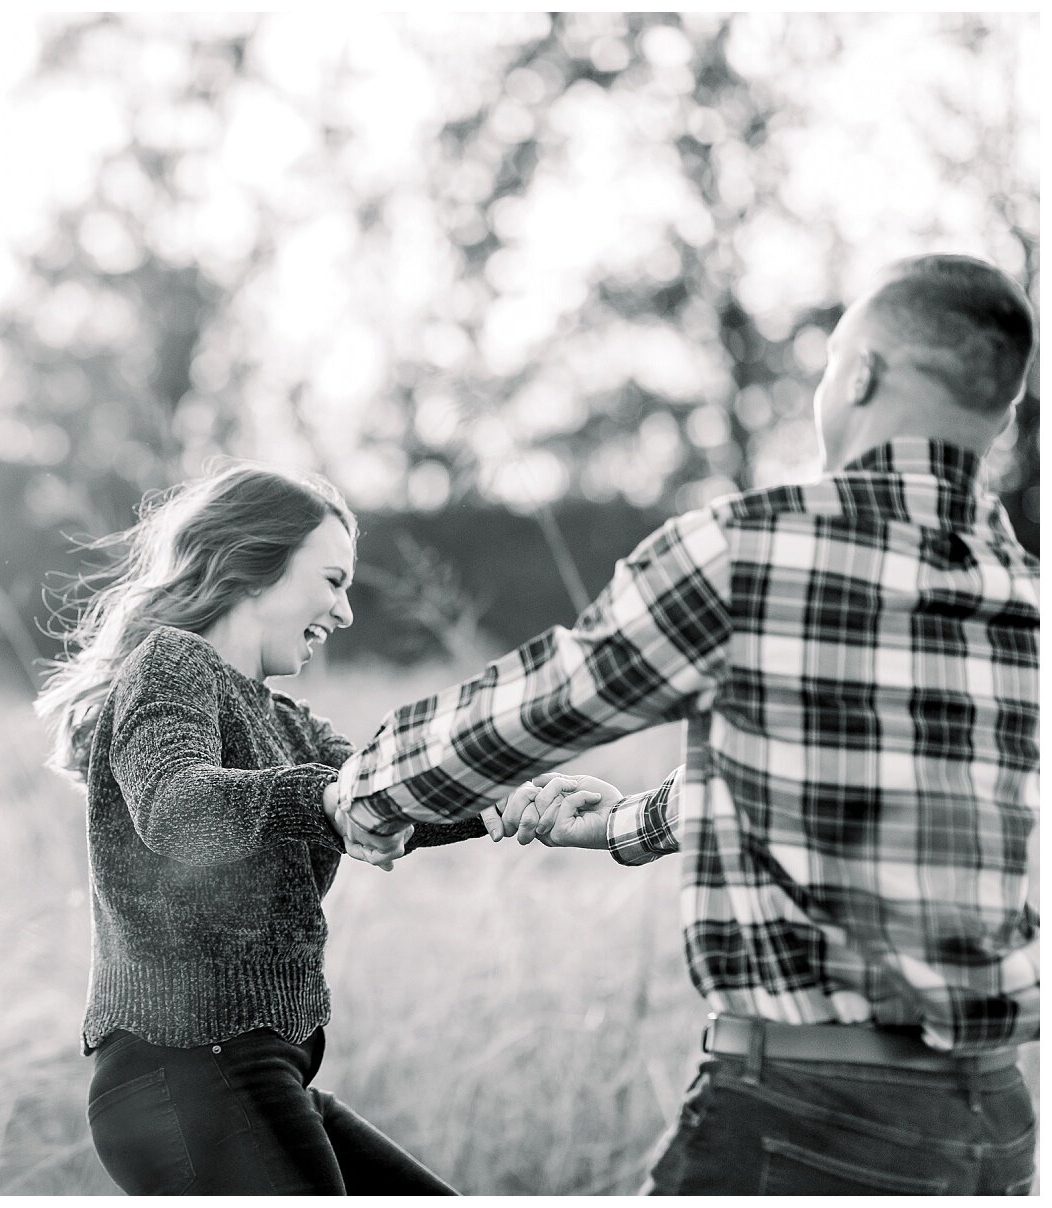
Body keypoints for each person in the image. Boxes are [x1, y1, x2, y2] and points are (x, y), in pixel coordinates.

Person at [327, 254, 1039, 1195]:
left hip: (805, 1117)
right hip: (992, 1125)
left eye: (830, 365)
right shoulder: (1022, 592)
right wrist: (625, 823)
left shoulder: (749, 550)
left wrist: (369, 788)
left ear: (861, 373)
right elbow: (877, 791)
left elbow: (546, 703)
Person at [36, 463, 480, 1194]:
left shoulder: (287, 723)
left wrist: (522, 804)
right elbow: (178, 808)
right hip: (185, 1070)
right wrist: (329, 800)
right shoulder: (173, 663)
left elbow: (387, 789)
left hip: (257, 1074)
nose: (344, 614)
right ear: (253, 567)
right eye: (332, 581)